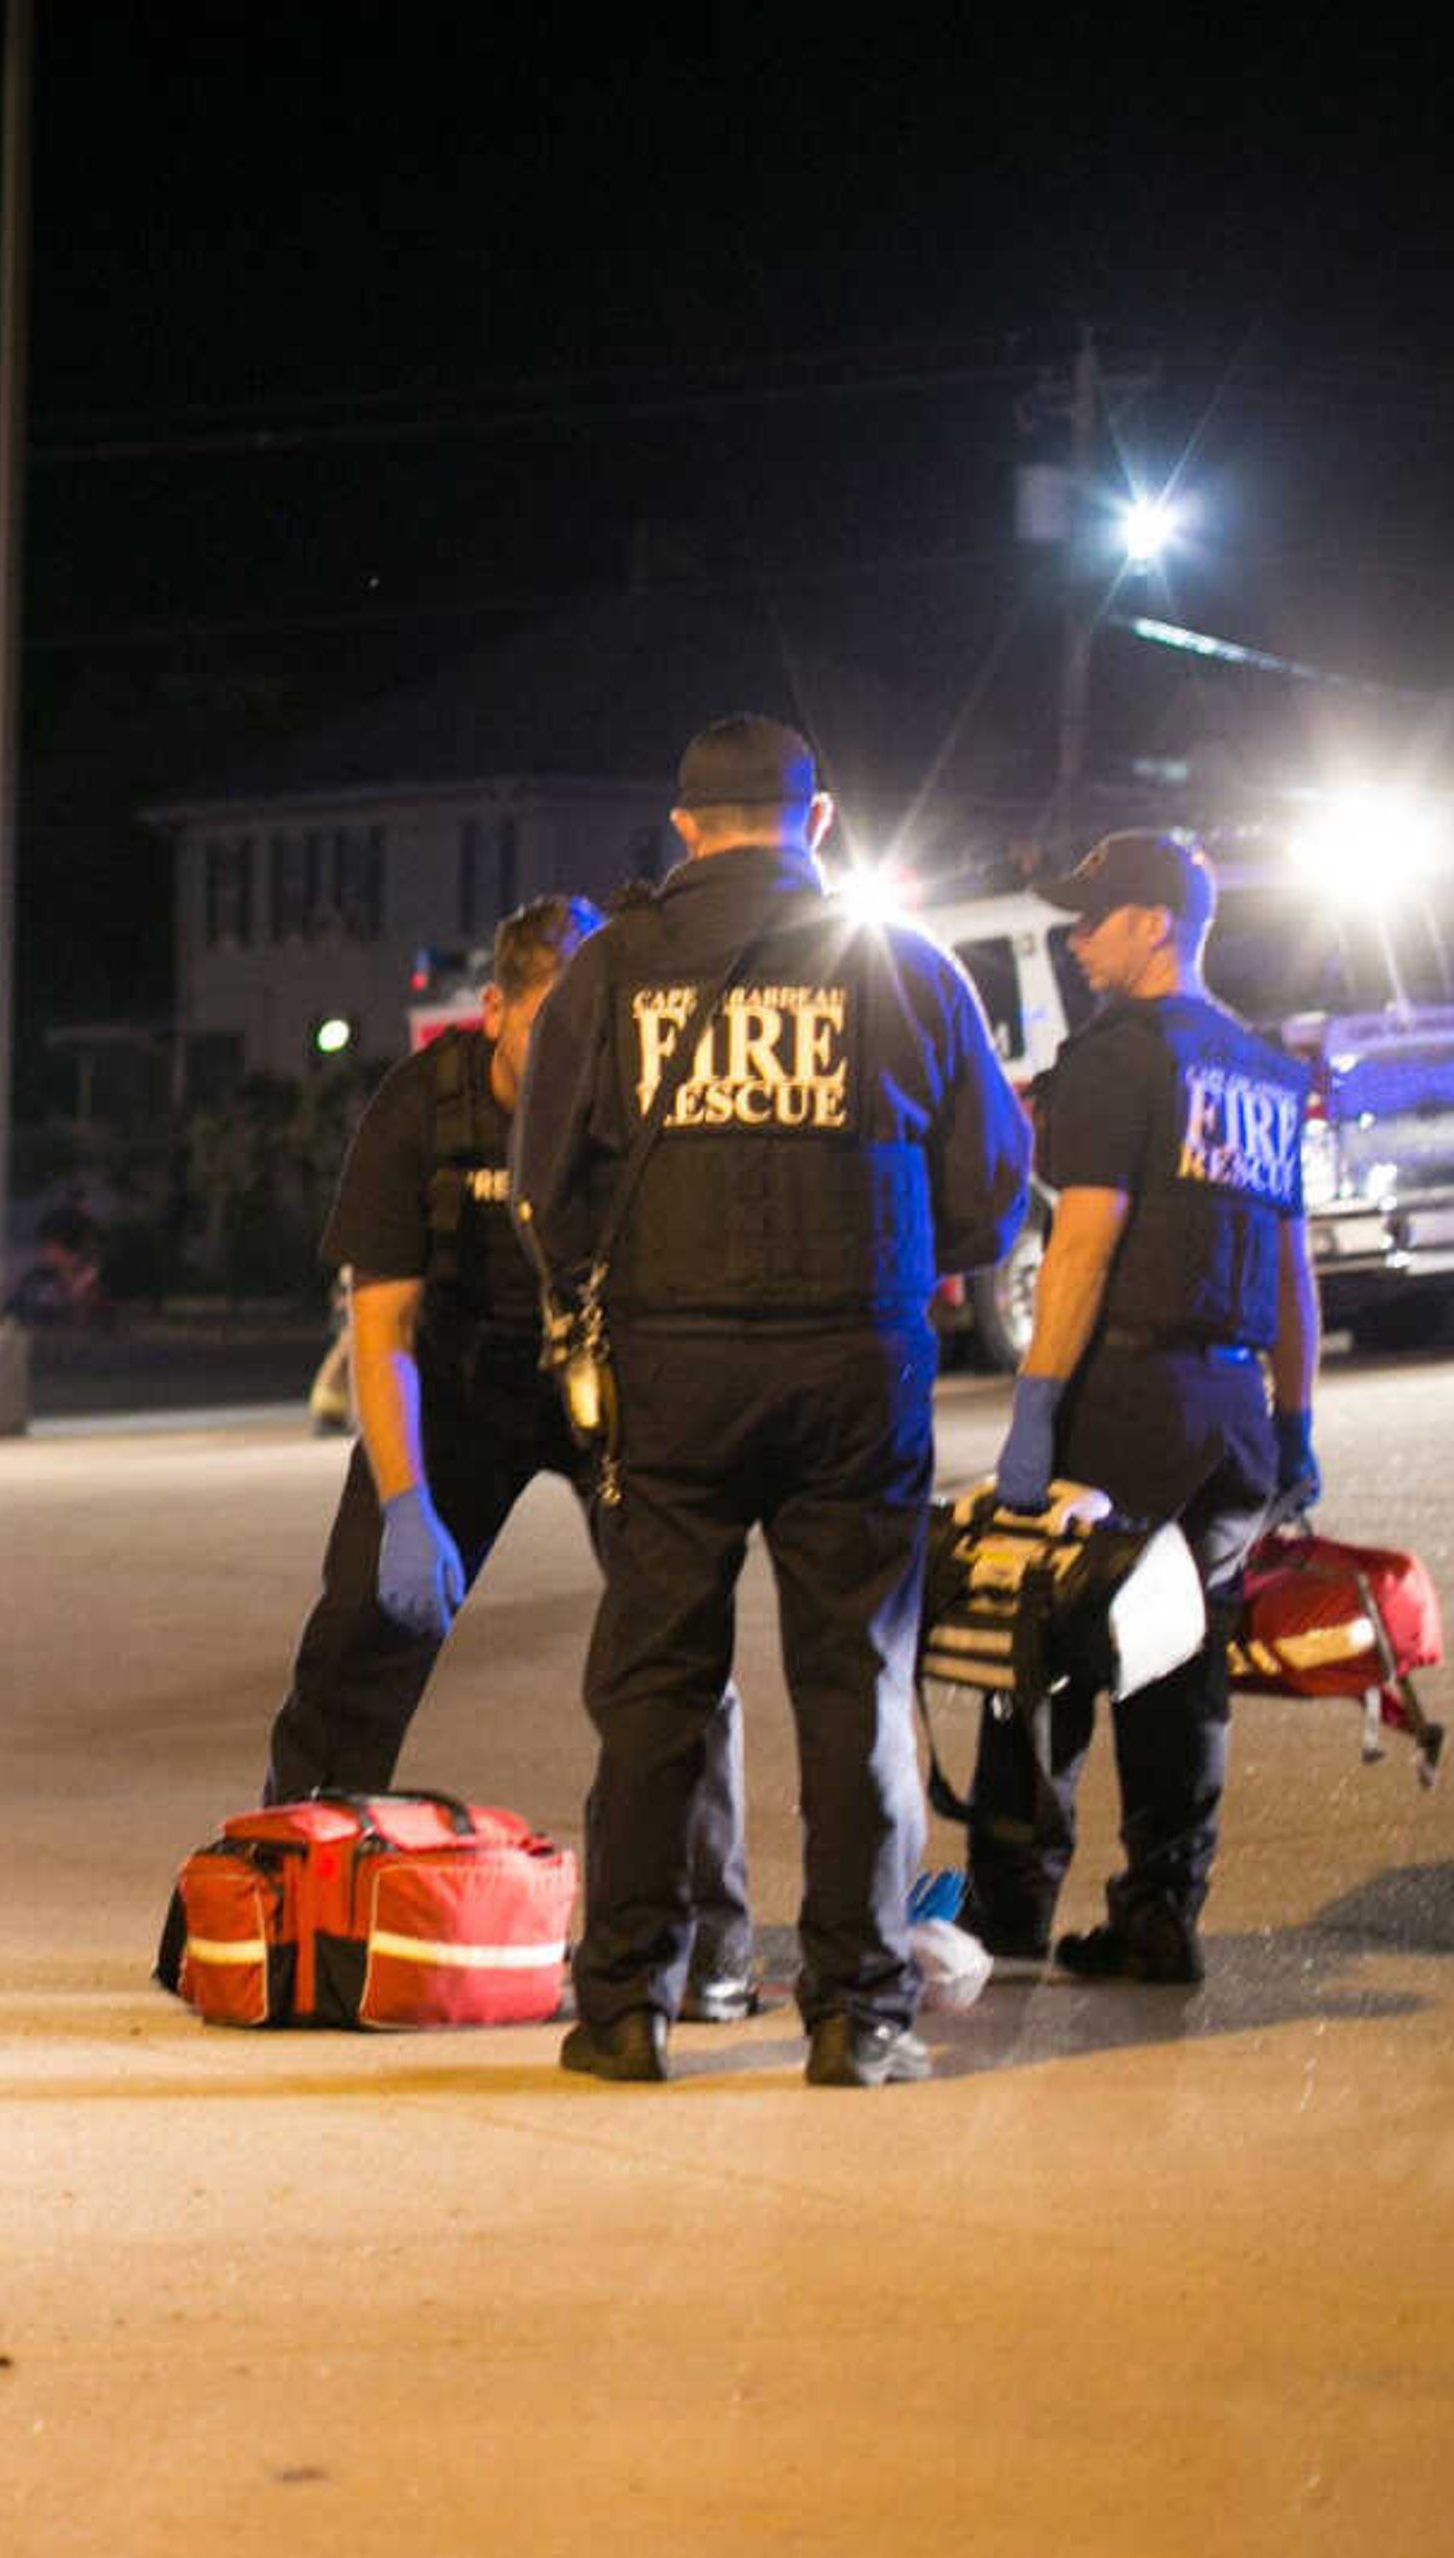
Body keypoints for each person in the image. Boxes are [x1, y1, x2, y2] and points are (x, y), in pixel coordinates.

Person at [513, 715, 1030, 2088]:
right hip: (857, 1365)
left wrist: (604, 1295)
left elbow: (545, 1182)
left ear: (685, 826)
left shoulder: (610, 969)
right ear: (820, 818)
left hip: (671, 1376)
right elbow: (989, 1194)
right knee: (854, 1681)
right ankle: (858, 2013)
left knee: (654, 1690)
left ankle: (626, 2003)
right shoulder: (903, 967)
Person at [264, 894, 766, 2022]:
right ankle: (298, 1901)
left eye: (596, 1029)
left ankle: (712, 1942)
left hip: (612, 1390)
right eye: (552, 1029)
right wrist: (405, 1501)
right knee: (358, 1636)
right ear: (492, 1012)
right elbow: (381, 1327)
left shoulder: (644, 1092)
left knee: (680, 1652)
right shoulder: (418, 1108)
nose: (575, 1058)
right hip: (459, 1391)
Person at [965, 829, 1317, 1985]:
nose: (1076, 938)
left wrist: (1035, 1406)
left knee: (1039, 1646)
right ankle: (1162, 1910)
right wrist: (1293, 1419)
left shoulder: (1117, 1056)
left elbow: (1082, 1241)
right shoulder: (1260, 1068)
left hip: (1126, 1397)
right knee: (1181, 1660)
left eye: (1096, 917)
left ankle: (1007, 1914)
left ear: (1155, 923)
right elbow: (1287, 1264)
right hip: (1231, 1417)